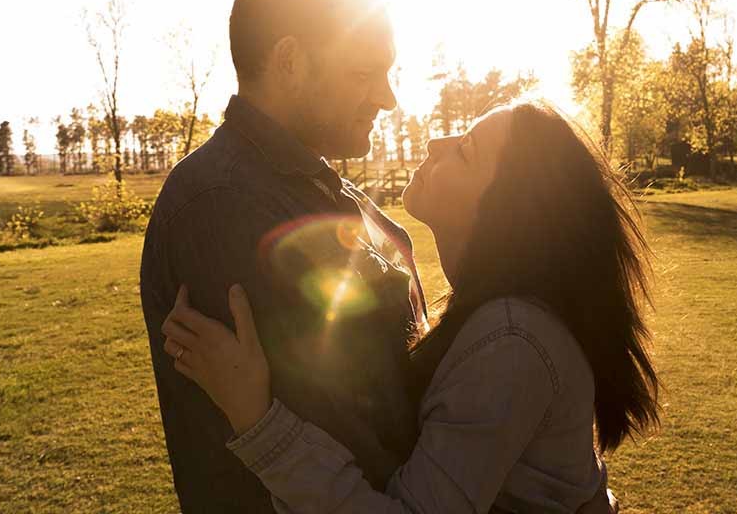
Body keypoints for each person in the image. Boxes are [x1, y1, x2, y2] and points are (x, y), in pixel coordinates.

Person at [161, 100, 660, 513]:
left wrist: (256, 419)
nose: (434, 142)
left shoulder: (514, 341)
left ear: (506, 212)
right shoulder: (497, 315)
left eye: (464, 150)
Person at [140, 0, 429, 513]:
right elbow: (342, 422)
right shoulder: (222, 205)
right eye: (365, 72)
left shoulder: (312, 186)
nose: (387, 98)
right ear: (291, 61)